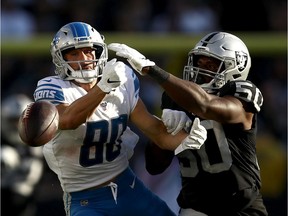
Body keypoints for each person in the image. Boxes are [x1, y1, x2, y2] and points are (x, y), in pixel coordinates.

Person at [32, 21, 207, 216]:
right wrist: (103, 88)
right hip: (86, 199)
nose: (84, 58)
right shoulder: (52, 87)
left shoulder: (121, 79)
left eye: (89, 51)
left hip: (128, 187)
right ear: (60, 58)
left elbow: (155, 131)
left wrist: (186, 138)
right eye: (74, 53)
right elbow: (67, 120)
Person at [108, 31, 269, 216]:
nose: (201, 70)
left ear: (235, 68)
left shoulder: (242, 94)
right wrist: (166, 136)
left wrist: (152, 70)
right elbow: (155, 166)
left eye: (211, 64)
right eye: (198, 62)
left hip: (240, 208)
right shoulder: (176, 97)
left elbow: (206, 106)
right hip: (195, 208)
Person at [1, 94, 44, 216]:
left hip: (29, 201)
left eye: (20, 120)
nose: (16, 125)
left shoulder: (42, 141)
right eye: (13, 120)